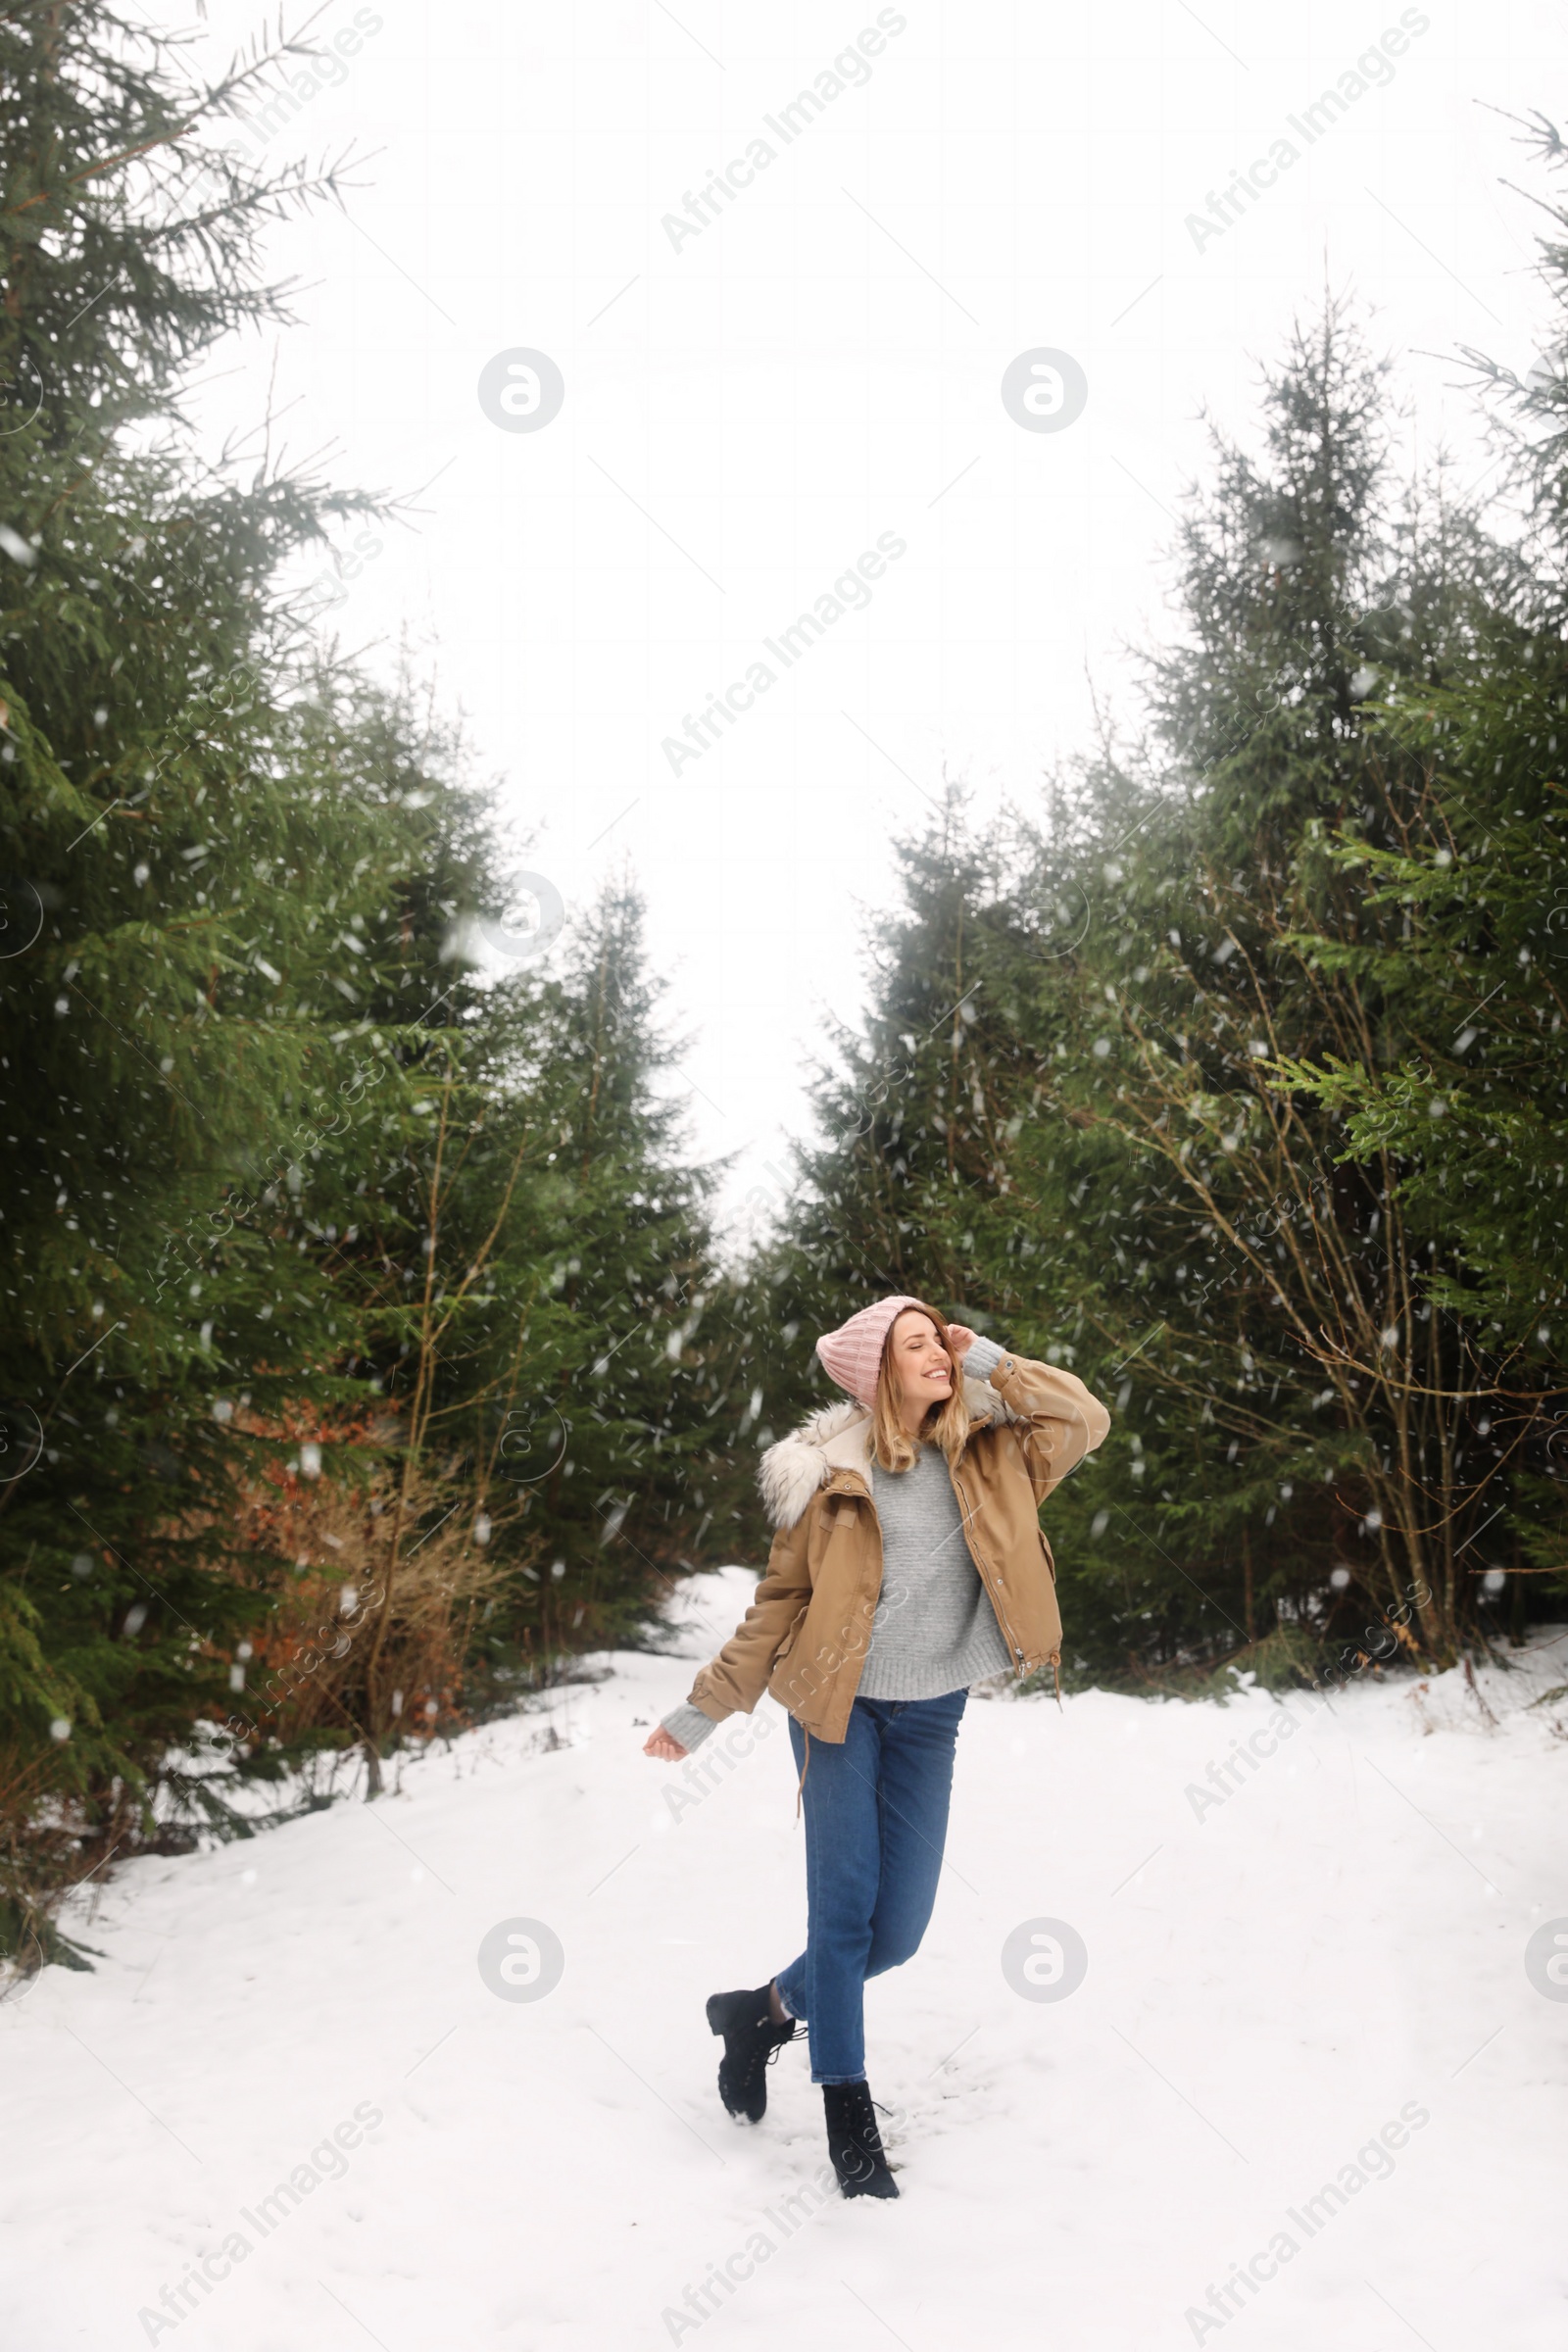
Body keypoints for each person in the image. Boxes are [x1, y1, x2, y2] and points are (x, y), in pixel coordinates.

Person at [641, 1294, 1111, 2198]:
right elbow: (779, 1605)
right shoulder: (822, 1474)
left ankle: (762, 2012)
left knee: (895, 1933)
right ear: (877, 1371)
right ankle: (848, 2123)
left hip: (933, 1712)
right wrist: (703, 1711)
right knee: (845, 1918)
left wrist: (992, 1360)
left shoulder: (991, 1448)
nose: (937, 1351)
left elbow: (1084, 1417)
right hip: (836, 1711)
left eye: (939, 1338)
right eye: (917, 1344)